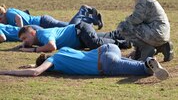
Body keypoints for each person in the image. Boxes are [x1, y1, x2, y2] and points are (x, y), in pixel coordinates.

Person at [0, 44, 169, 81]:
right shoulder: (64, 50)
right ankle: (142, 58)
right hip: (108, 48)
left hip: (105, 63)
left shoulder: (54, 61)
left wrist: (5, 71)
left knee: (144, 71)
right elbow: (36, 66)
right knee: (126, 62)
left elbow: (36, 72)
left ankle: (148, 62)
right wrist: (32, 64)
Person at [101, 0, 173, 62]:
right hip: (161, 34)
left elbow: (135, 21)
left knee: (123, 27)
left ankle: (146, 49)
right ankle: (163, 46)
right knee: (130, 25)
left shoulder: (142, 1)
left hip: (156, 33)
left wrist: (125, 21)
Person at [17, 22, 123, 52]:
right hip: (80, 38)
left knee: (94, 44)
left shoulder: (43, 34)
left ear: (32, 33)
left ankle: (123, 43)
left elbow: (51, 47)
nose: (24, 42)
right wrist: (25, 45)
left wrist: (33, 50)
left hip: (80, 30)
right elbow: (26, 43)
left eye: (24, 38)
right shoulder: (37, 38)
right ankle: (123, 35)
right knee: (106, 36)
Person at [0, 4, 103, 30]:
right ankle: (93, 20)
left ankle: (83, 10)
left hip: (44, 22)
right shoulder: (9, 13)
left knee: (72, 28)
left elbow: (18, 18)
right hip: (43, 22)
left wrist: (20, 31)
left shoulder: (9, 13)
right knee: (73, 28)